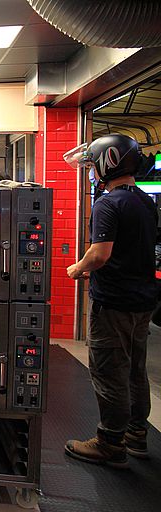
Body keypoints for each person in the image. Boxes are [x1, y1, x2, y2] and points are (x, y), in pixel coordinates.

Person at [64, 134, 159, 467]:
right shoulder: (144, 201)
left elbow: (100, 254)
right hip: (142, 301)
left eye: (92, 165)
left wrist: (77, 268)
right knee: (134, 369)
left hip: (114, 302)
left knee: (108, 371)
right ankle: (135, 434)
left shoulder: (108, 202)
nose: (90, 172)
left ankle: (110, 443)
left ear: (109, 162)